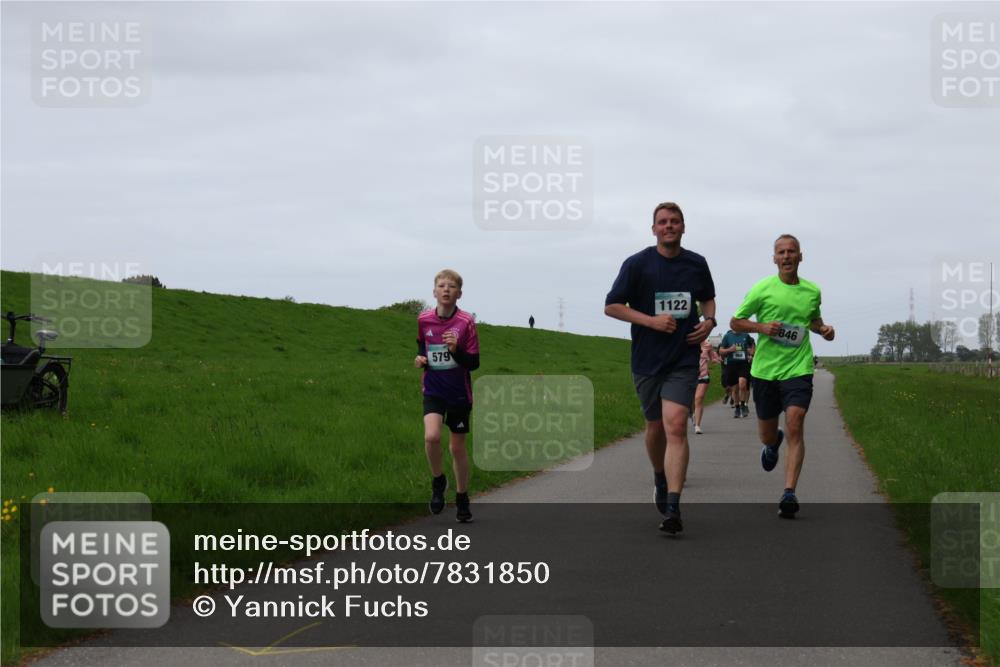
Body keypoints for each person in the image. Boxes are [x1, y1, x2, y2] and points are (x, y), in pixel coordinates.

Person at [605, 202, 717, 534]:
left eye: (675, 222)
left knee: (676, 425)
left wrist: (709, 321)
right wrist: (650, 321)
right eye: (662, 222)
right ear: (653, 229)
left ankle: (673, 505)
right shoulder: (637, 264)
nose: (669, 226)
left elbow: (708, 298)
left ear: (683, 227)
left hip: (683, 358)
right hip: (646, 360)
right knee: (654, 426)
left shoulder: (696, 264)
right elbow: (612, 306)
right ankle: (659, 474)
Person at [730, 235, 835, 518]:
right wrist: (762, 327)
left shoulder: (812, 291)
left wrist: (825, 330)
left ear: (801, 256)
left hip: (798, 368)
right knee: (767, 433)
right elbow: (735, 322)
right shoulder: (762, 289)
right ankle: (772, 444)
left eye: (792, 252)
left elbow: (813, 320)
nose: (787, 256)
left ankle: (789, 492)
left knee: (795, 422)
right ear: (774, 258)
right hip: (765, 371)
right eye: (781, 252)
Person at [414, 269, 480, 523]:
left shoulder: (466, 322)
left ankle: (462, 496)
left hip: (459, 393)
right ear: (434, 291)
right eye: (441, 285)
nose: (446, 289)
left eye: (451, 286)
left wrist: (455, 350)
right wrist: (421, 359)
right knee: (431, 436)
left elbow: (473, 363)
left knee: (456, 447)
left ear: (459, 293)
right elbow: (423, 345)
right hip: (433, 388)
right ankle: (438, 480)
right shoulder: (424, 319)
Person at [719, 329, 755, 418]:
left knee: (742, 384)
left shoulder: (745, 335)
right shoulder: (727, 336)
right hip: (732, 364)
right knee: (734, 389)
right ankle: (737, 408)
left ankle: (743, 405)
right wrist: (730, 350)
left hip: (743, 364)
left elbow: (752, 343)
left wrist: (751, 352)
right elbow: (721, 351)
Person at [693, 338, 721, 434]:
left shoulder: (707, 345)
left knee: (699, 399)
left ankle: (697, 425)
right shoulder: (687, 344)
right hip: (689, 377)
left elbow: (713, 357)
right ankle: (693, 414)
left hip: (703, 375)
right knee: (690, 401)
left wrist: (716, 360)